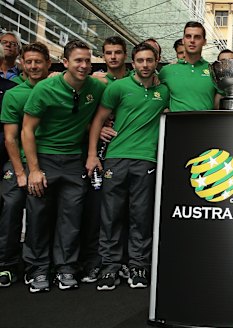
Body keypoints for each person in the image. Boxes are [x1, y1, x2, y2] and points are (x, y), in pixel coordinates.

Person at [21, 40, 106, 293]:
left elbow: (114, 88)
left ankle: (66, 268)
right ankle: (37, 270)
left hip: (73, 161)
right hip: (44, 157)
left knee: (71, 219)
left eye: (87, 61)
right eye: (78, 60)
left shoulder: (95, 86)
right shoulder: (45, 89)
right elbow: (26, 130)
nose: (83, 65)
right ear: (65, 63)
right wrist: (34, 169)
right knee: (38, 217)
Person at [86, 42, 168, 291]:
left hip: (147, 160)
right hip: (116, 157)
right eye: (140, 61)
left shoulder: (164, 91)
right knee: (111, 214)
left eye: (149, 61)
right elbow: (98, 121)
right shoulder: (118, 87)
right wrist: (92, 155)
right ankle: (110, 266)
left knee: (141, 216)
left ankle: (138, 265)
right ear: (133, 63)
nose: (145, 65)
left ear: (156, 63)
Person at [0, 42, 49, 288]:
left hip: (46, 162)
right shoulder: (14, 94)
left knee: (39, 217)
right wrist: (21, 173)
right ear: (22, 64)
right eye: (28, 62)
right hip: (18, 164)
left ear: (48, 64)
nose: (33, 66)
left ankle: (35, 267)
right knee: (11, 209)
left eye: (38, 61)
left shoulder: (55, 90)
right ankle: (7, 265)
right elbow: (10, 137)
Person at [159, 21, 217, 111]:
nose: (192, 40)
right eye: (188, 36)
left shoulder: (214, 70)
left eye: (197, 37)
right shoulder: (167, 71)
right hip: (177, 124)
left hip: (206, 124)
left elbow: (218, 105)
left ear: (204, 42)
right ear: (183, 40)